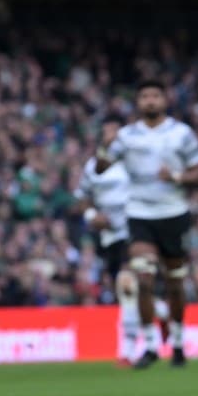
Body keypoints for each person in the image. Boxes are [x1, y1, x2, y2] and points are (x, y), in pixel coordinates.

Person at [97, 80, 198, 369]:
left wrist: (176, 177)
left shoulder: (181, 133)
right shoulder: (126, 135)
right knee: (143, 278)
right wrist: (104, 147)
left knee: (174, 283)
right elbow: (100, 168)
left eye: (155, 96)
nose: (150, 101)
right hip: (140, 214)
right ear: (138, 101)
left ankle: (179, 344)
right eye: (144, 95)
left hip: (174, 214)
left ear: (164, 100)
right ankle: (149, 345)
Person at [74, 115, 136, 366]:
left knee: (126, 283)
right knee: (126, 291)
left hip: (134, 230)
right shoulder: (92, 167)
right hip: (109, 235)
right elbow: (82, 198)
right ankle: (162, 313)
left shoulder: (133, 163)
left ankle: (128, 349)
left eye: (114, 131)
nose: (110, 136)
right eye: (106, 131)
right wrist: (92, 215)